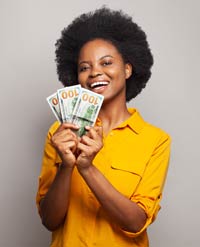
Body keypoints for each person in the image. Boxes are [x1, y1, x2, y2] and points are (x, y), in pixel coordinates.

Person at [36, 7, 171, 247]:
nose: (95, 72)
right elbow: (49, 219)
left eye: (106, 62)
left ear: (127, 69)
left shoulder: (156, 140)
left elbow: (135, 223)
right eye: (84, 67)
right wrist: (67, 166)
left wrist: (87, 168)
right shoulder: (60, 133)